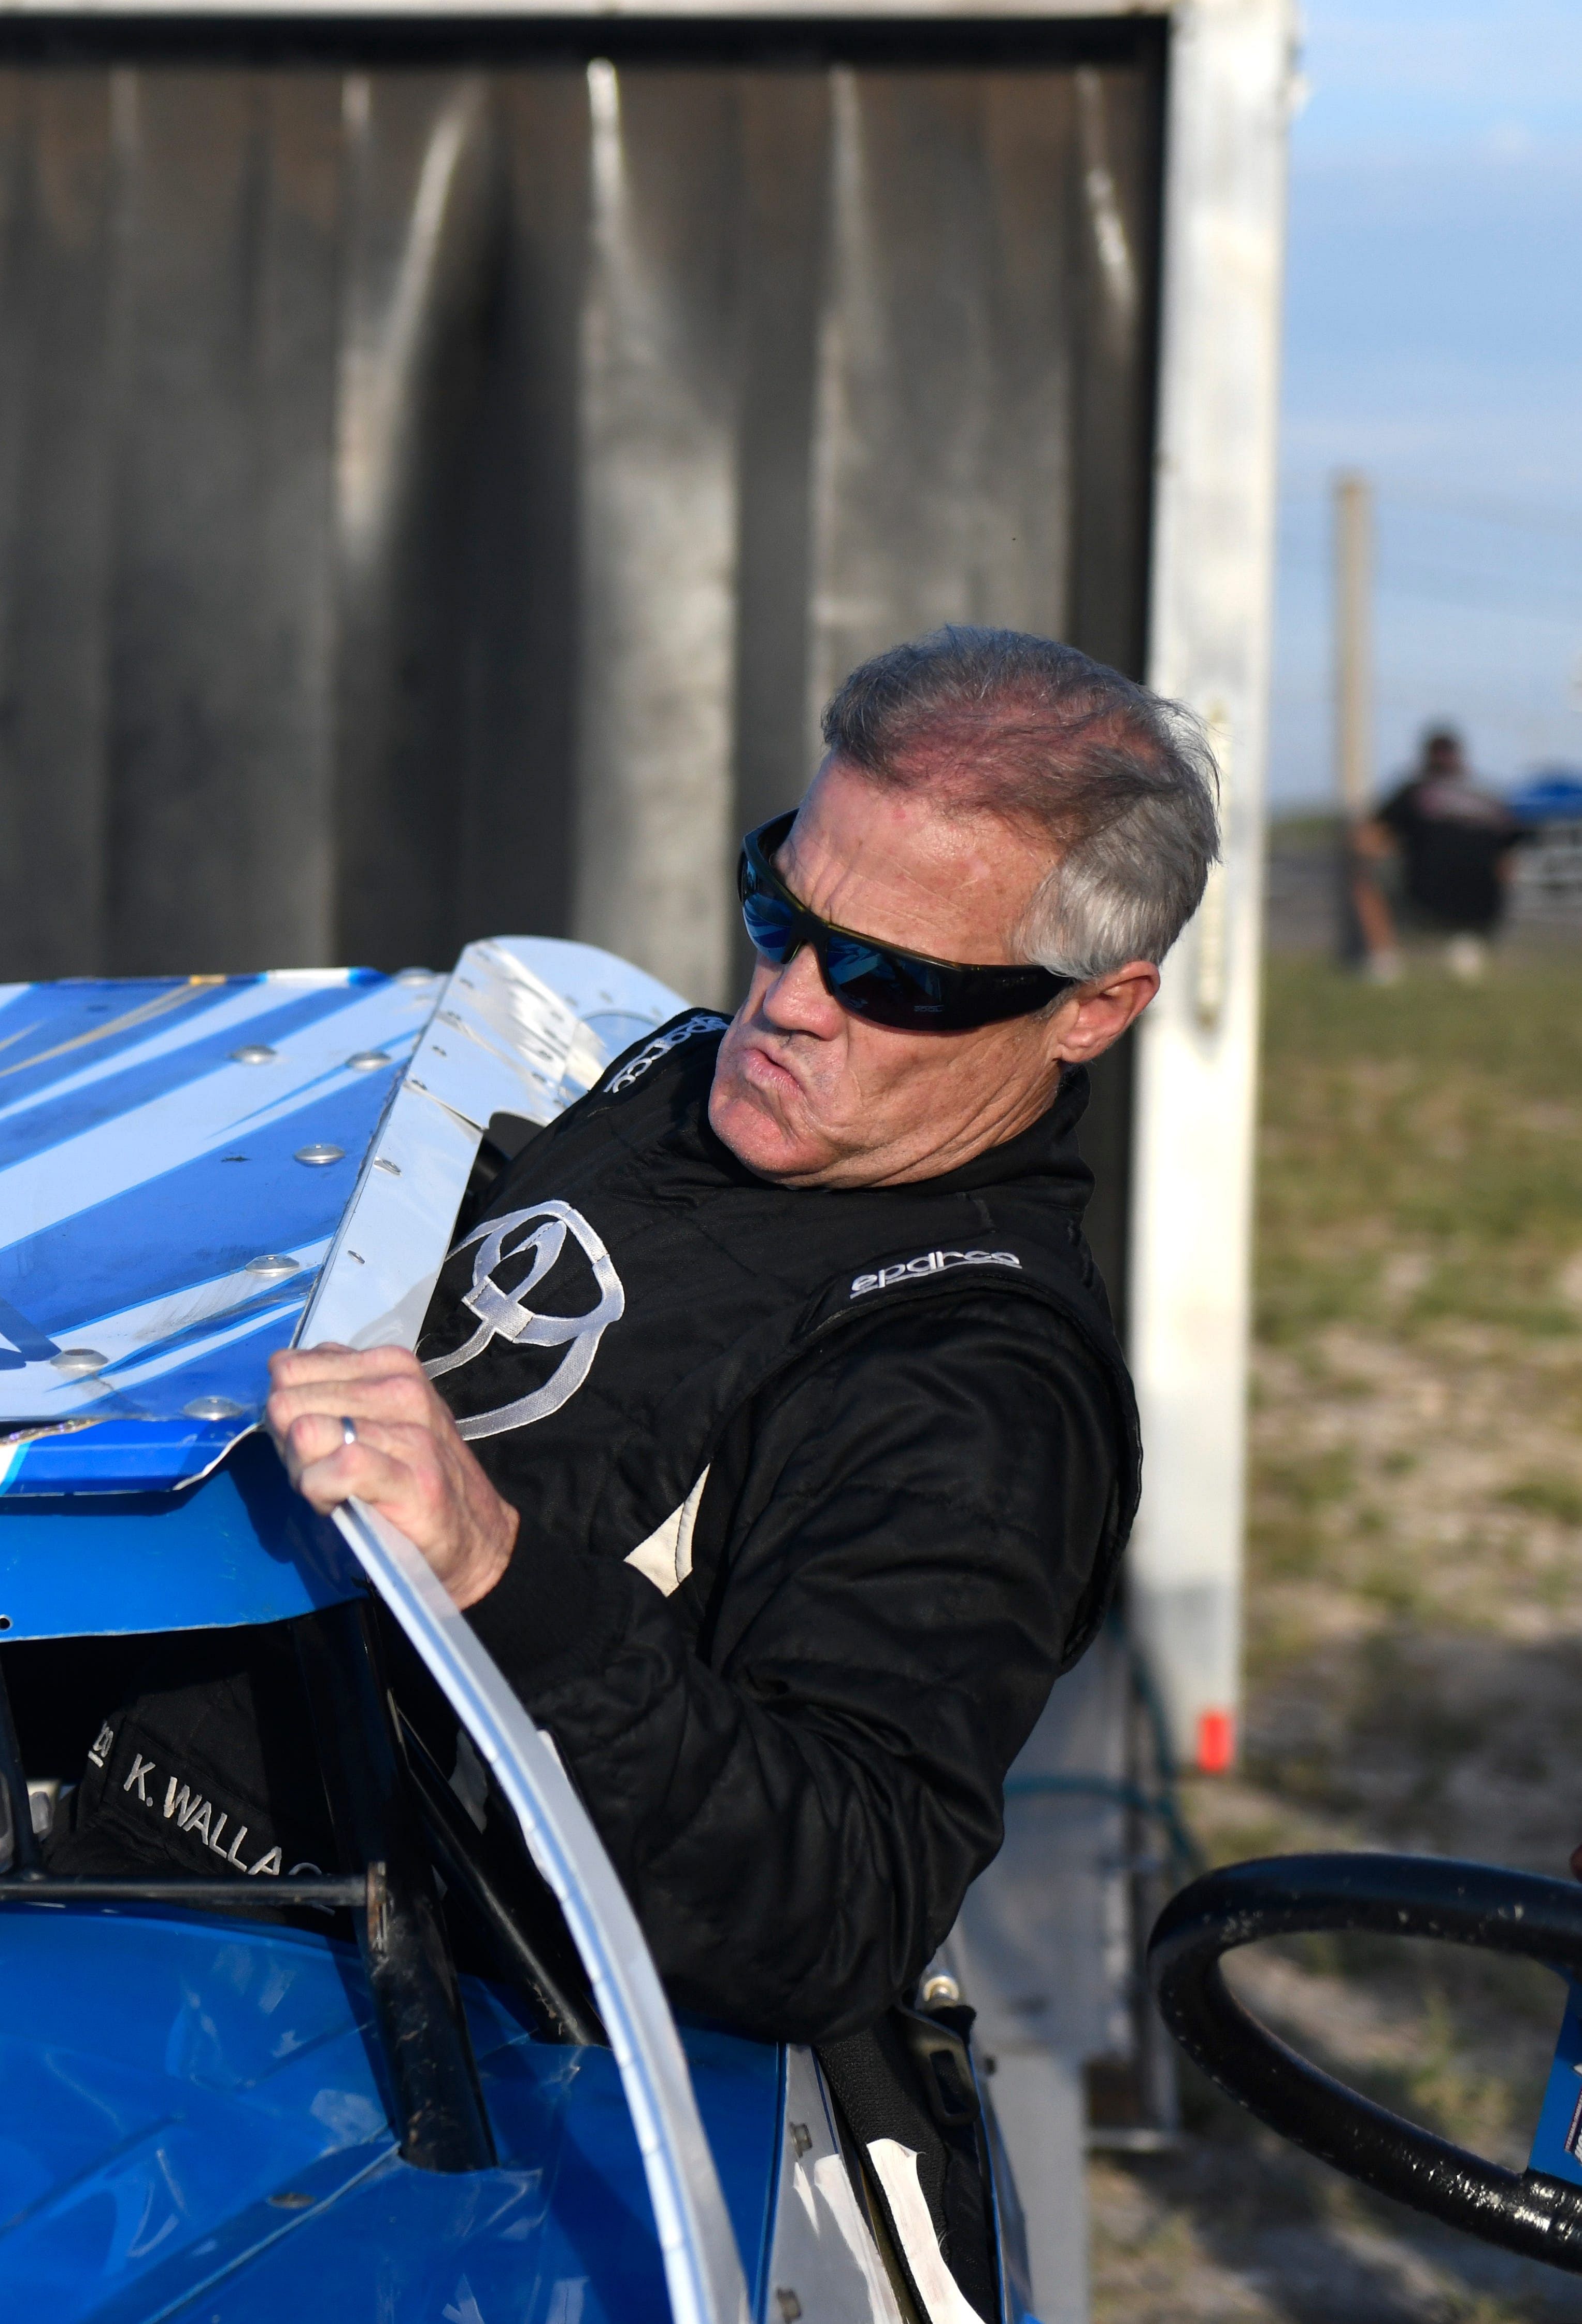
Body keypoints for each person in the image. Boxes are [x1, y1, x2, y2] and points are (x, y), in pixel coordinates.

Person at [265, 625, 1213, 2054]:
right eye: (780, 907)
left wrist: (497, 1572)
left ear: (1090, 1007)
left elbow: (830, 1910)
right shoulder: (671, 1077)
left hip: (404, 2039)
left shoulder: (973, 1388)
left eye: (893, 978)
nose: (787, 1001)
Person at [1365, 725, 1522, 980]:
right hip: (1485, 907)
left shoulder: (1415, 790)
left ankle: (1384, 961)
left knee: (1366, 872)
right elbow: (1508, 859)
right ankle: (1472, 940)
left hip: (1426, 897)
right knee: (1500, 867)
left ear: (1426, 758)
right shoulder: (1489, 797)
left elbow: (1368, 838)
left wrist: (1399, 849)